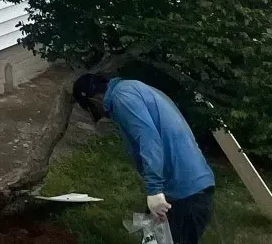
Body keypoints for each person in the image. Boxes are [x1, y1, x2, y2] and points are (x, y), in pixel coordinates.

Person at [73, 73, 217, 244]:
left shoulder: (122, 99)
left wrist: (154, 190)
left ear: (94, 100)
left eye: (95, 110)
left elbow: (149, 141)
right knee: (152, 238)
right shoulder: (132, 89)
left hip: (186, 194)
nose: (103, 115)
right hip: (184, 188)